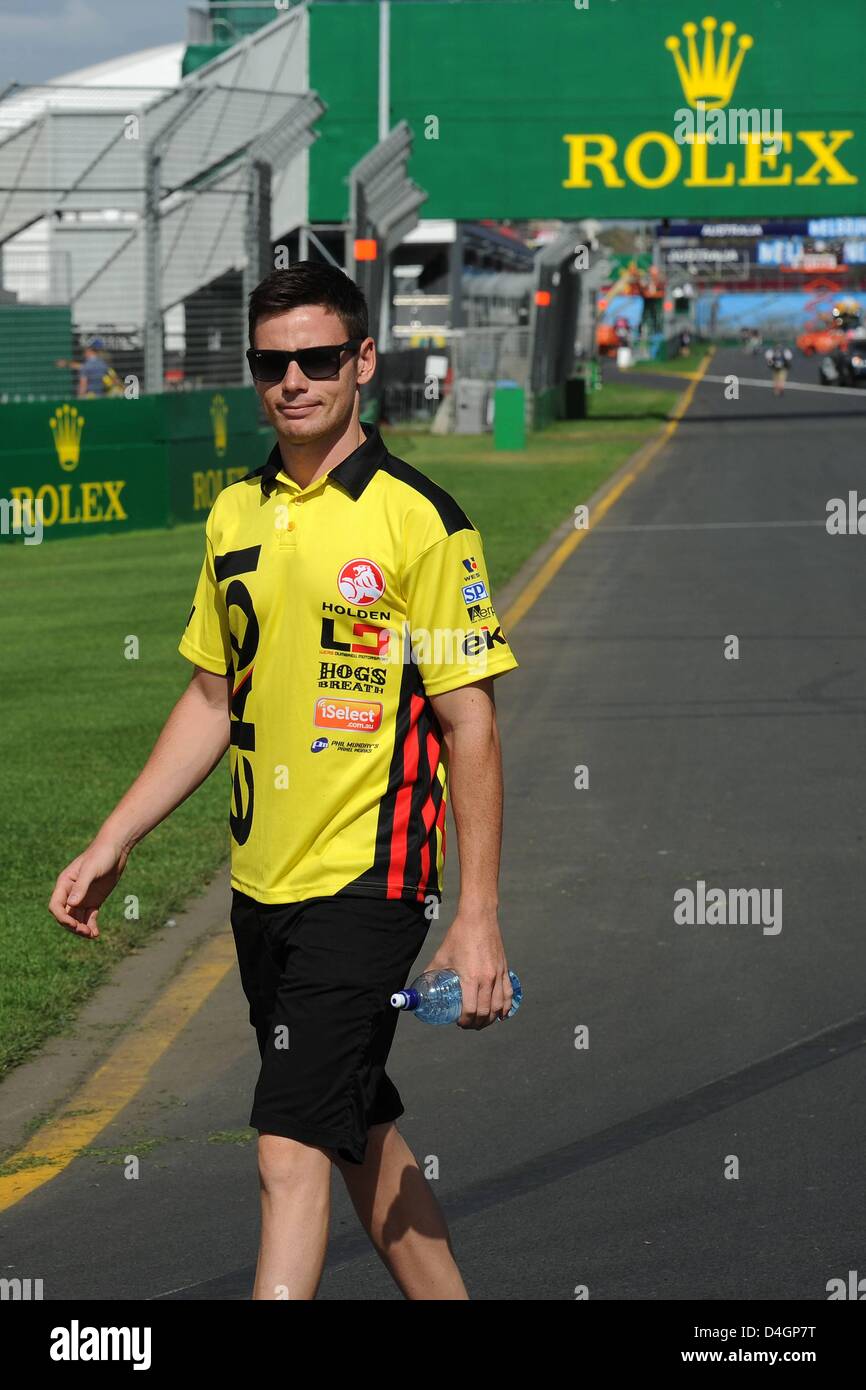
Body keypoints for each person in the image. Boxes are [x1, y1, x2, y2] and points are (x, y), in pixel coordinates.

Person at [48, 261, 519, 1301]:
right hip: (260, 888)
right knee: (358, 1134)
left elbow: (467, 721)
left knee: (285, 1150)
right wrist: (113, 837)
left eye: (316, 358)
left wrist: (475, 914)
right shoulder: (236, 518)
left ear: (361, 361)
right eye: (271, 363)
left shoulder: (420, 519)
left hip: (368, 883)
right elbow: (212, 699)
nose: (292, 380)